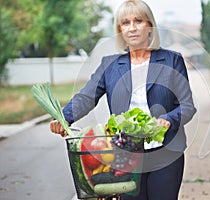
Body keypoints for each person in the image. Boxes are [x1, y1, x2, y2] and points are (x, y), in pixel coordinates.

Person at [50, 0, 196, 199]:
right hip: (125, 155)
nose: (132, 28)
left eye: (139, 21)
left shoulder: (172, 60)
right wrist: (64, 117)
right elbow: (86, 97)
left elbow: (187, 105)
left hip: (166, 153)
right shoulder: (110, 64)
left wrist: (169, 119)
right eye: (125, 23)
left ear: (150, 26)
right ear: (119, 30)